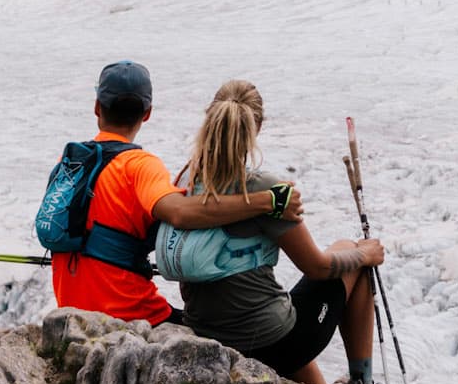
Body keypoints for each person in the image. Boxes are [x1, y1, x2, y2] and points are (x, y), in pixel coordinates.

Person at [174, 79, 388, 384]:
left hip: (208, 330)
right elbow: (317, 267)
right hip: (269, 345)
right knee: (351, 258)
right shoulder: (264, 189)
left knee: (277, 305)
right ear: (256, 128)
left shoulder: (187, 180)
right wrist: (364, 253)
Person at [50, 61, 302, 327]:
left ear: (97, 107)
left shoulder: (71, 163)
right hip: (130, 313)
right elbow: (180, 213)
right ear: (147, 112)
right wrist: (267, 201)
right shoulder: (140, 166)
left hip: (71, 311)